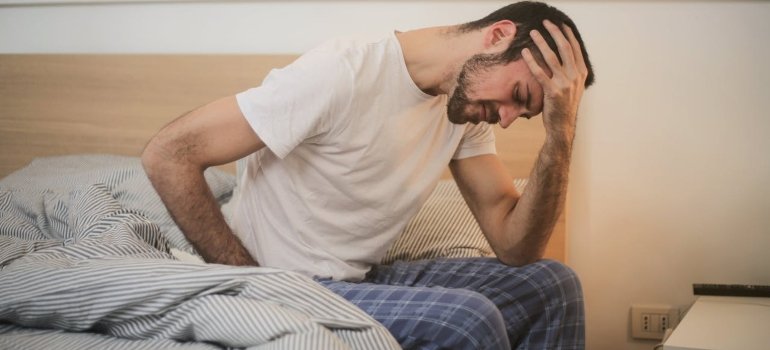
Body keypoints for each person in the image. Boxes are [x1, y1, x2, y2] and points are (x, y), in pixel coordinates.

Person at [142, 1, 595, 349]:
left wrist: (560, 133)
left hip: (358, 279)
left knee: (553, 285)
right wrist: (250, 281)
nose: (510, 118)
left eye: (527, 112)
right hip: (287, 280)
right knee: (467, 319)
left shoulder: (465, 111)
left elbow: (516, 246)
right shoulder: (343, 72)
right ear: (497, 35)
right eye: (518, 94)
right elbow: (169, 154)